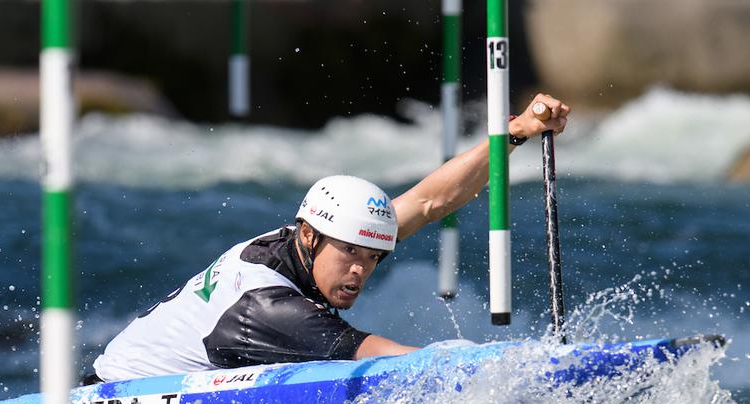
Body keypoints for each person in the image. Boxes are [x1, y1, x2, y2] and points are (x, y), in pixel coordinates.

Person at [91, 94, 570, 383]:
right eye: (351, 254)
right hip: (114, 402)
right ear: (309, 236)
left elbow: (429, 203)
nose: (360, 270)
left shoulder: (314, 241)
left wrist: (517, 131)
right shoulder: (268, 304)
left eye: (373, 256)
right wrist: (505, 366)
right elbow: (389, 358)